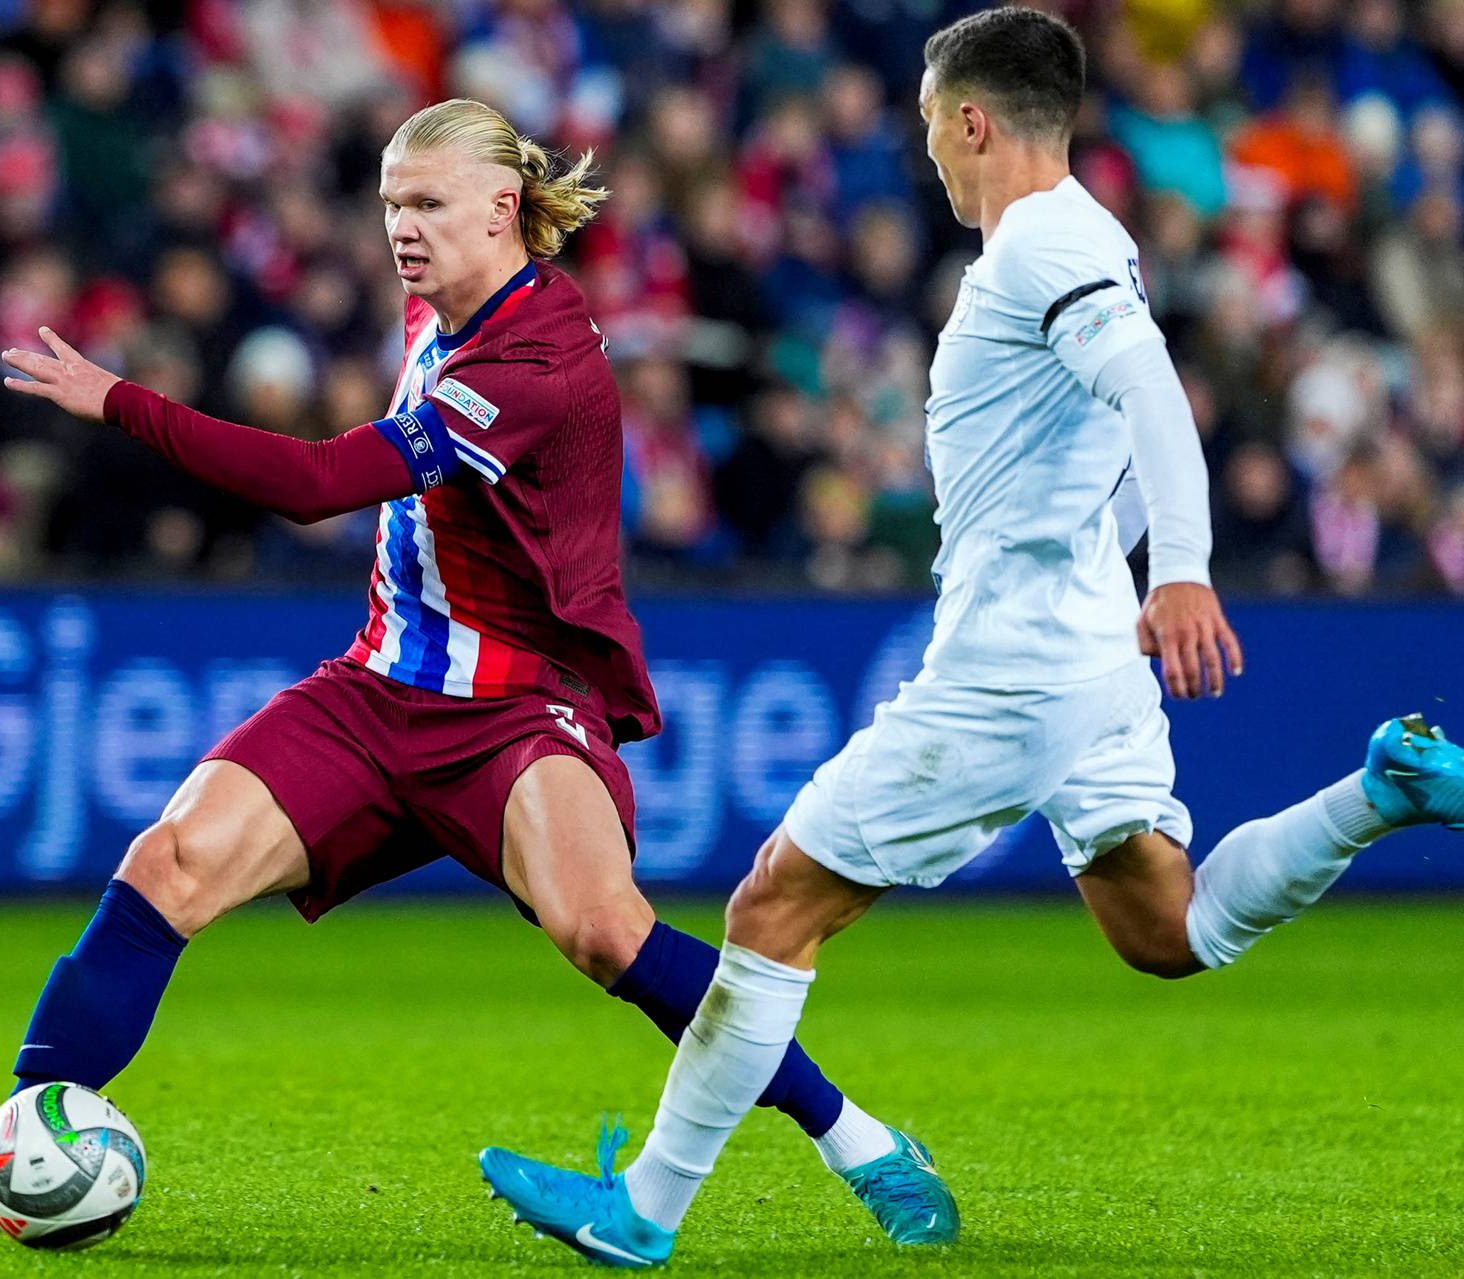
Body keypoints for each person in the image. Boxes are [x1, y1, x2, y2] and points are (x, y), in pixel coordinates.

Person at [0, 98, 952, 1244]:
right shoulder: (441, 313)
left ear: (503, 209)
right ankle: (17, 1155)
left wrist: (119, 400)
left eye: (426, 204)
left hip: (521, 711)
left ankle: (863, 1141)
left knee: (601, 930)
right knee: (168, 861)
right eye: (390, 205)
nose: (401, 229)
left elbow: (319, 485)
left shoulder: (536, 357)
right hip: (379, 692)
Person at [476, 10, 1464, 1268]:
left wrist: (1189, 573)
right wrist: (1129, 576)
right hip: (1087, 642)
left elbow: (1152, 393)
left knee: (770, 906)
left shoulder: (1039, 246)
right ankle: (1384, 791)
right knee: (1170, 929)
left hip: (1021, 659)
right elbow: (1102, 428)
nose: (926, 147)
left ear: (975, 121)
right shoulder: (1089, 234)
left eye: (933, 122)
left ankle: (646, 1212)